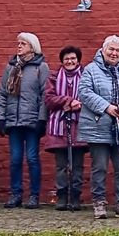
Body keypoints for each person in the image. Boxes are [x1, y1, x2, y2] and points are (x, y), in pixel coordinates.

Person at [77, 35, 119, 219]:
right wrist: (106, 107)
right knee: (100, 167)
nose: (114, 53)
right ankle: (99, 202)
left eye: (118, 50)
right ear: (103, 49)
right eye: (111, 49)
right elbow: (84, 92)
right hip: (98, 126)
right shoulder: (91, 69)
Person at [0, 33, 49, 209]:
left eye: (23, 44)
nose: (19, 46)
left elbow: (44, 95)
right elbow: (2, 94)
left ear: (32, 47)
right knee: (15, 159)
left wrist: (42, 119)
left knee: (32, 158)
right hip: (13, 121)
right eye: (18, 43)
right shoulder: (11, 68)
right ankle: (16, 193)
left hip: (32, 121)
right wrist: (0, 117)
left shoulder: (40, 67)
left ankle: (34, 195)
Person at [43, 45, 88, 211]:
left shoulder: (86, 76)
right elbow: (49, 99)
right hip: (59, 125)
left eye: (73, 58)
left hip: (79, 125)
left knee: (77, 165)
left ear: (78, 60)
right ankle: (62, 196)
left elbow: (89, 95)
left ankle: (75, 196)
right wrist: (68, 101)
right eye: (67, 59)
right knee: (61, 165)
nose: (70, 61)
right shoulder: (54, 77)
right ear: (62, 61)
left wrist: (79, 104)